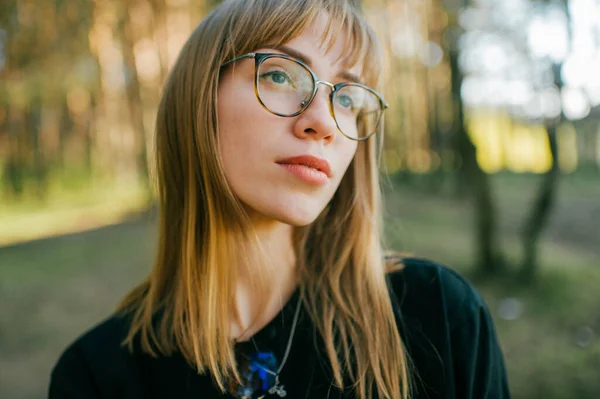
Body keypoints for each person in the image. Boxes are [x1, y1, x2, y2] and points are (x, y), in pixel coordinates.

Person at [49, 0, 511, 398]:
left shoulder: (439, 318)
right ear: (197, 98)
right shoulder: (96, 376)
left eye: (347, 99)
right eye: (279, 75)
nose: (324, 122)